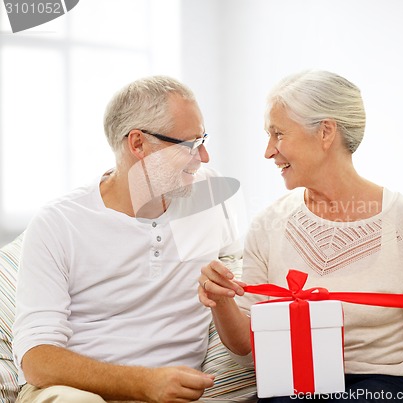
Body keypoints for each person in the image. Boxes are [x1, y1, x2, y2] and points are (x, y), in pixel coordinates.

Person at [199, 70, 403, 402]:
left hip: (382, 389)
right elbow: (246, 350)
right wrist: (221, 301)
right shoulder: (269, 224)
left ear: (325, 132)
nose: (268, 151)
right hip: (295, 388)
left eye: (278, 134)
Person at [13, 75, 242, 403]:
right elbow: (36, 359)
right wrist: (144, 383)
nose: (203, 157)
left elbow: (239, 298)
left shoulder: (208, 195)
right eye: (190, 144)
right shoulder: (59, 223)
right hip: (77, 392)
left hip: (173, 393)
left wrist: (222, 294)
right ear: (138, 144)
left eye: (203, 139)